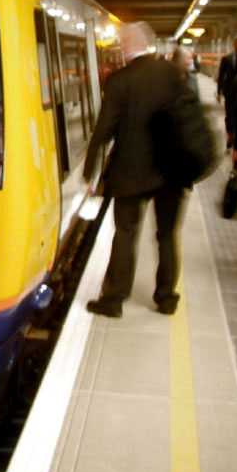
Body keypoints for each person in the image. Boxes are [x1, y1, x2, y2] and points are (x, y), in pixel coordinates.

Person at [83, 22, 189, 318]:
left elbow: (104, 130)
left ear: (130, 44)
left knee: (126, 233)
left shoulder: (119, 81)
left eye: (122, 41)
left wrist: (89, 173)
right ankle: (166, 298)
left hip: (130, 172)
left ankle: (114, 300)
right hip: (171, 171)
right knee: (167, 235)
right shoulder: (172, 73)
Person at [216, 36, 237, 148]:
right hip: (230, 92)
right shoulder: (226, 59)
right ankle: (230, 135)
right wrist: (219, 91)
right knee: (229, 115)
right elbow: (221, 76)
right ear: (234, 45)